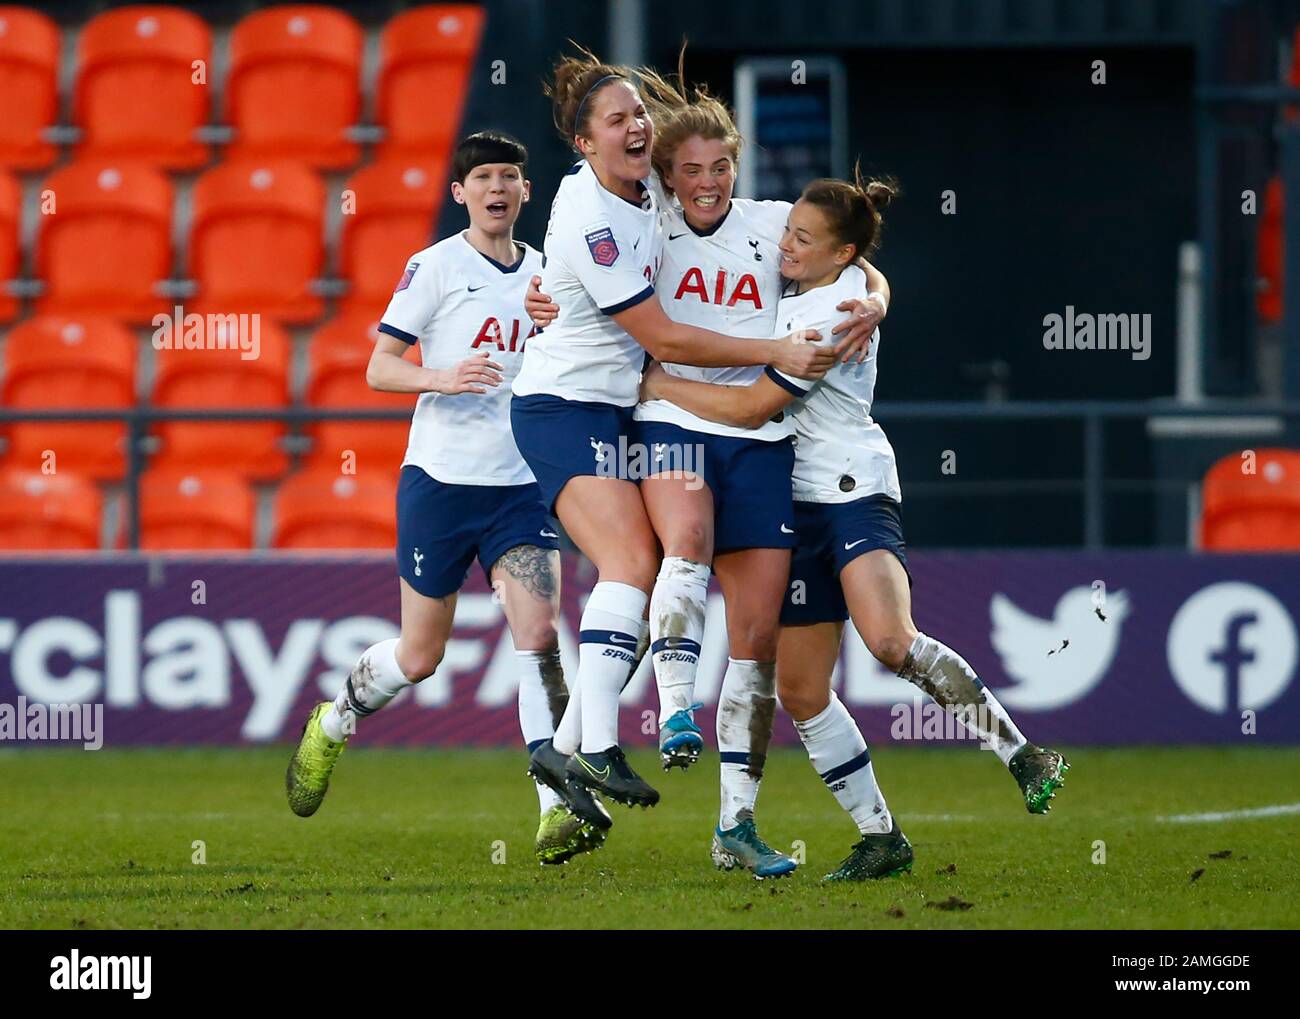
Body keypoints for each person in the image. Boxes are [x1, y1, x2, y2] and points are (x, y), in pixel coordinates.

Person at [641, 170, 1070, 880]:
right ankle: (882, 836)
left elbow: (754, 410)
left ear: (837, 255)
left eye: (803, 239)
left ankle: (1023, 753)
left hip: (850, 490)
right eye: (789, 231)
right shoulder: (817, 284)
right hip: (791, 501)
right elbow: (867, 272)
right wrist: (879, 290)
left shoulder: (831, 314)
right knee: (803, 689)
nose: (786, 246)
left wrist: (657, 384)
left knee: (891, 640)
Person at [525, 63, 887, 878]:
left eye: (719, 165)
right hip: (663, 421)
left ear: (736, 166)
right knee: (673, 542)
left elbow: (848, 251)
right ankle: (671, 712)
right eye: (689, 169)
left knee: (755, 638)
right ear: (665, 177)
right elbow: (655, 331)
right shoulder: (637, 216)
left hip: (762, 443)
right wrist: (540, 298)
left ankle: (734, 824)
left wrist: (876, 293)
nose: (705, 181)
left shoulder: (768, 225)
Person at [284, 131, 604, 866]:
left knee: (539, 635)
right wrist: (444, 375)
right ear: (460, 193)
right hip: (440, 482)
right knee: (421, 654)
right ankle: (333, 723)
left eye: (511, 176)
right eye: (484, 176)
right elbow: (378, 368)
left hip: (522, 484)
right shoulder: (433, 267)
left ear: (526, 192)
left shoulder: (553, 276)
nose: (498, 187)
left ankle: (554, 807)